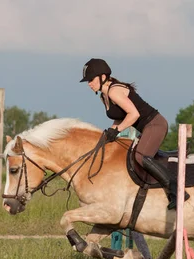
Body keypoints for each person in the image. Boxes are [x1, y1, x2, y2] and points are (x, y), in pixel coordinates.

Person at [79, 58, 188, 210]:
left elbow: (134, 114)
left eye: (91, 79)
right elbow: (119, 118)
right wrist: (108, 135)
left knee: (141, 156)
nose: (89, 84)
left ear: (103, 77)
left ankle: (176, 190)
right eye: (87, 81)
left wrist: (116, 131)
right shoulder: (104, 96)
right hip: (146, 128)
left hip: (155, 124)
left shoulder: (114, 91)